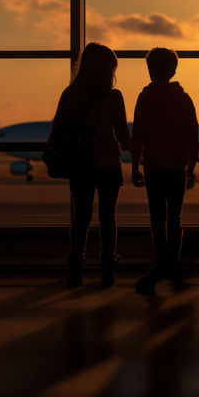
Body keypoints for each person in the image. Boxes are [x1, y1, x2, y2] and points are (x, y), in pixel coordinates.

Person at [50, 42, 130, 287]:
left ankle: (75, 267)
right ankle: (107, 269)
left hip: (81, 164)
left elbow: (58, 130)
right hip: (107, 163)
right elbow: (124, 137)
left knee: (81, 218)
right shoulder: (114, 97)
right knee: (108, 218)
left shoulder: (70, 95)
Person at [131, 48, 199, 294]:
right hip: (176, 167)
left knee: (157, 218)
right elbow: (193, 136)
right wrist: (190, 168)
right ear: (173, 70)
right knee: (175, 218)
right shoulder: (184, 98)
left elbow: (138, 134)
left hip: (154, 166)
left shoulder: (145, 98)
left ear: (150, 70)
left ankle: (161, 263)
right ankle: (173, 265)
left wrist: (134, 168)